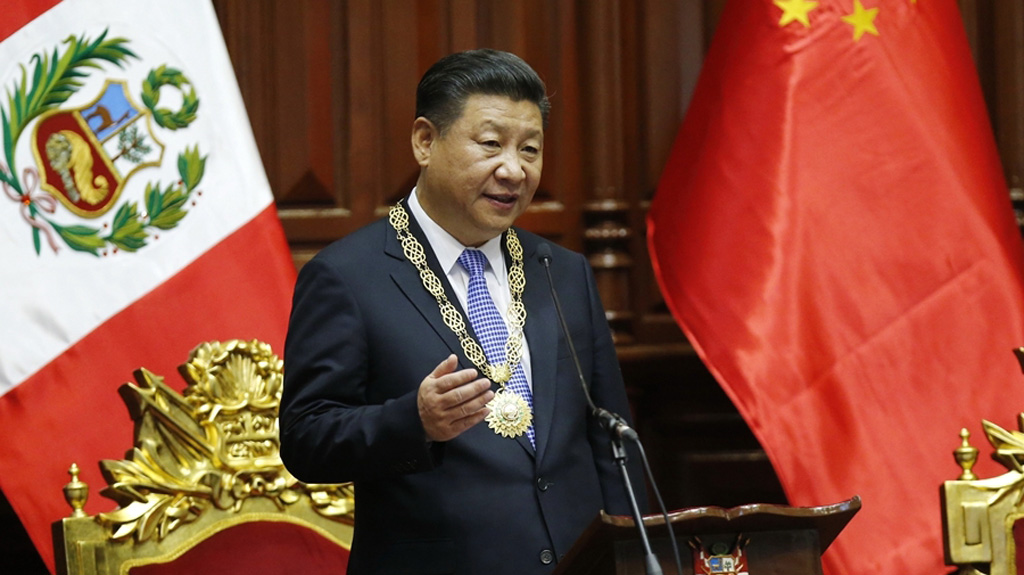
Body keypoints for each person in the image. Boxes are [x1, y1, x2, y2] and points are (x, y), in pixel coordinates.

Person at [279, 48, 645, 575]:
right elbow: (307, 439)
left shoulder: (561, 272)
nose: (514, 170)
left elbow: (613, 441)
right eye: (491, 144)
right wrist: (414, 421)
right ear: (425, 142)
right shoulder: (348, 276)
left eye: (530, 149)